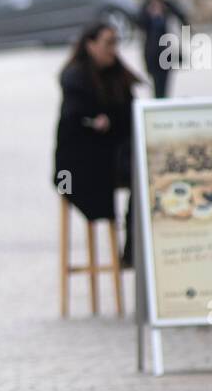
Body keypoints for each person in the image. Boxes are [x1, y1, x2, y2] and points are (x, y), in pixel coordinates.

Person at [52, 22, 147, 265]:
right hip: (85, 165)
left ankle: (135, 250)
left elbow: (129, 117)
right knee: (139, 173)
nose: (112, 50)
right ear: (90, 45)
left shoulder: (118, 76)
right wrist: (98, 123)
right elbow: (75, 124)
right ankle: (132, 252)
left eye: (115, 43)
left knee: (148, 177)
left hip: (118, 157)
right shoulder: (76, 79)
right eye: (107, 44)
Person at [136, 0, 188, 98]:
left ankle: (163, 103)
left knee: (165, 83)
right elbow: (140, 24)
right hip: (152, 52)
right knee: (157, 84)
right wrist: (152, 15)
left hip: (166, 50)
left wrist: (187, 31)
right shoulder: (145, 6)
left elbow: (181, 15)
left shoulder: (167, 3)